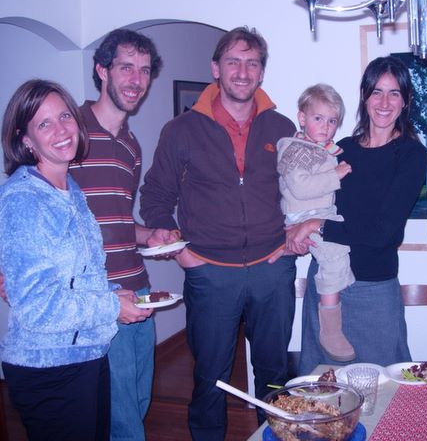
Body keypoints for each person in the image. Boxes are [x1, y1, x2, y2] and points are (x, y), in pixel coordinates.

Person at [139, 26, 297, 440]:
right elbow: (155, 196)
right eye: (233, 62)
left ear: (261, 72)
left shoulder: (281, 127)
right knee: (210, 377)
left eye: (252, 63)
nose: (243, 72)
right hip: (209, 272)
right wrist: (180, 251)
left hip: (272, 270)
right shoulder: (181, 130)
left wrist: (299, 231)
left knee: (275, 373)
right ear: (216, 69)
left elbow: (302, 190)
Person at [0, 79, 145, 440]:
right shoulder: (23, 199)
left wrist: (115, 293)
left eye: (65, 116)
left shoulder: (70, 191)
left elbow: (79, 278)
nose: (61, 130)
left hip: (86, 355)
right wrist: (112, 306)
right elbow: (38, 307)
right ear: (25, 140)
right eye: (44, 123)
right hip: (50, 366)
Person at [285, 56, 427, 375]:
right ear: (364, 96)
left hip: (373, 289)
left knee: (385, 386)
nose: (384, 102)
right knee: (323, 386)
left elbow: (384, 232)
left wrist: (317, 225)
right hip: (327, 286)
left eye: (394, 93)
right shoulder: (341, 149)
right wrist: (296, 231)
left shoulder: (411, 154)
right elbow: (306, 196)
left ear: (405, 101)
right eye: (377, 92)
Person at [68, 28, 174, 440]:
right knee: (120, 415)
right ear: (102, 70)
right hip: (99, 295)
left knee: (138, 398)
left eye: (144, 70)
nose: (136, 79)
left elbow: (116, 218)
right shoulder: (69, 131)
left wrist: (151, 236)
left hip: (138, 287)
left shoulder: (131, 145)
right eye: (126, 67)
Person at [277, 84, 356, 362]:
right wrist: (335, 175)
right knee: (335, 255)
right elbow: (300, 188)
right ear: (302, 118)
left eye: (332, 121)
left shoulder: (320, 149)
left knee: (341, 249)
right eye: (318, 118)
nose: (326, 126)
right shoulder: (296, 150)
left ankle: (334, 310)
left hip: (319, 213)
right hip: (304, 214)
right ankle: (330, 329)